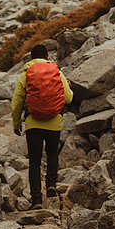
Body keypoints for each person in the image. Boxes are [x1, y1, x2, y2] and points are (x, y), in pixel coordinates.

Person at [11, 43, 73, 210]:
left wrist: (16, 123)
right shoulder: (57, 72)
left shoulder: (26, 74)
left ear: (31, 58)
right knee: (52, 153)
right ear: (47, 57)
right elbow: (68, 98)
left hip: (33, 123)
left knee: (35, 161)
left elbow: (16, 102)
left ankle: (37, 199)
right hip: (54, 122)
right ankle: (51, 184)